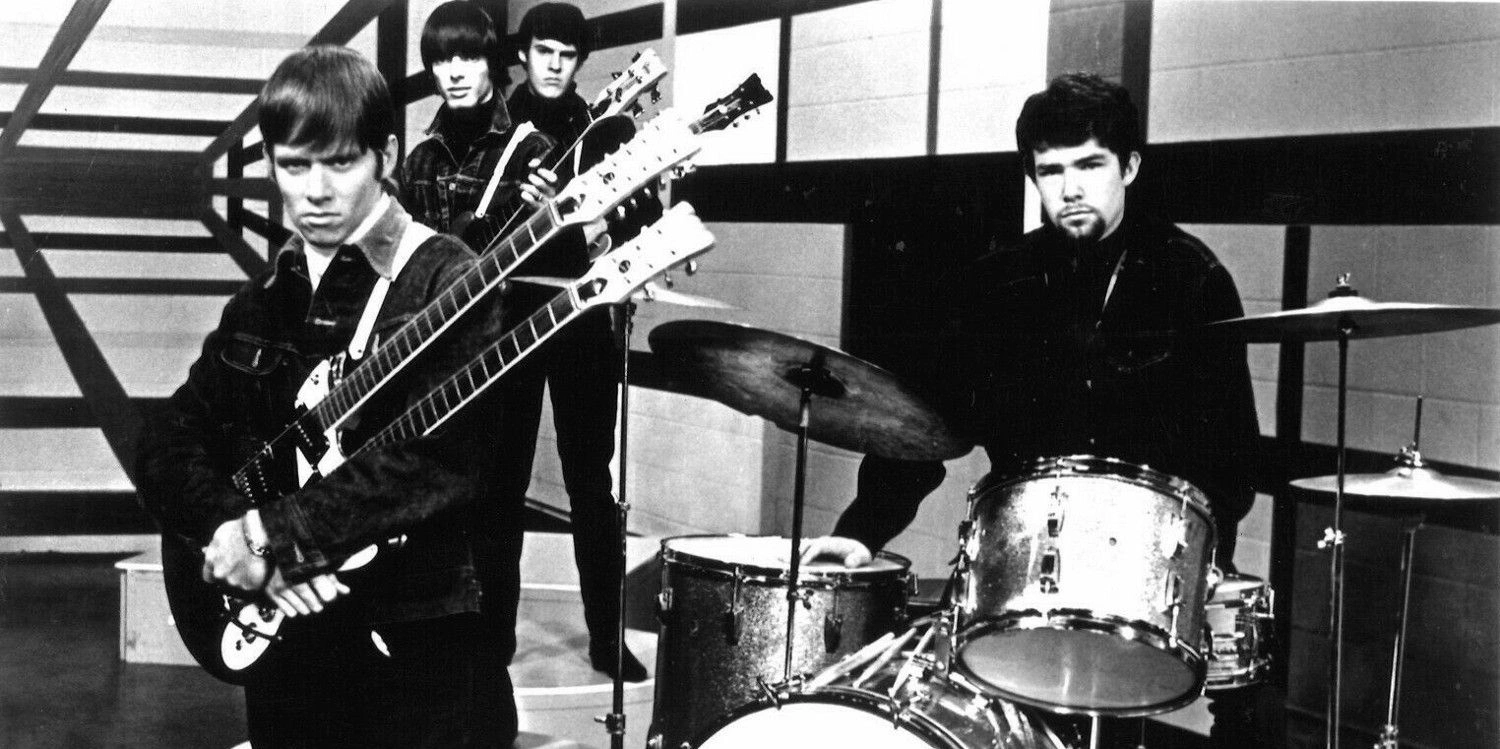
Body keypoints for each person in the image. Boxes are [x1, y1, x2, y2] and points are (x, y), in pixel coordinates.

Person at [802, 73, 1277, 748]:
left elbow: (1229, 458)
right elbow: (925, 425)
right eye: (1051, 171)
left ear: (1129, 167)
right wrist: (863, 530)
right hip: (1018, 578)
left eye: (1090, 165)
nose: (1070, 188)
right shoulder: (999, 281)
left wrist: (1202, 562)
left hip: (1138, 583)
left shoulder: (1191, 278)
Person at [136, 45, 517, 747]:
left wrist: (271, 536)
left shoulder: (445, 279)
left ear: (386, 156)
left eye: (340, 163)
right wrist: (231, 531)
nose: (315, 190)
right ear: (270, 164)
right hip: (290, 645)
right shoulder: (264, 300)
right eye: (294, 165)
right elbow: (167, 439)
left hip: (414, 642)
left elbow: (438, 463)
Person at [486, 1, 656, 682]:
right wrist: (515, 202)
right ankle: (493, 636)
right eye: (543, 51)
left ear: (581, 62)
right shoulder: (497, 127)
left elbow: (644, 210)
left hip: (581, 316)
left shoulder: (607, 127)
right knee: (502, 479)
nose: (554, 65)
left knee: (592, 479)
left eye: (566, 55)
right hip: (509, 315)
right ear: (523, 54)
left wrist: (606, 229)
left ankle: (606, 638)